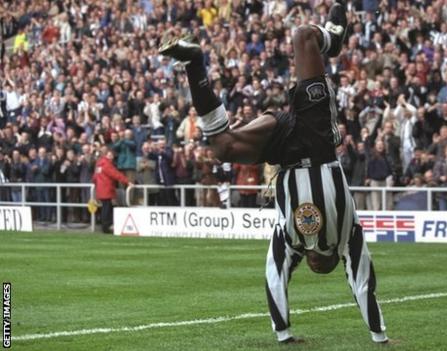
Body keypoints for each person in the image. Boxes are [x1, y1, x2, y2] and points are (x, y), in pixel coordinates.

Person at [159, 1, 388, 344]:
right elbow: (362, 281)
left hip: (283, 150)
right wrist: (379, 337)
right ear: (322, 263)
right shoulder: (346, 238)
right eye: (316, 267)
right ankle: (335, 36)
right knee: (304, 36)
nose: (310, 267)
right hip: (317, 139)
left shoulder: (291, 239)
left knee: (223, 147)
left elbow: (275, 276)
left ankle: (195, 63)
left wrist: (284, 335)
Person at [92, 146, 131, 233]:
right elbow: (115, 174)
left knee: (104, 208)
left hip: (101, 190)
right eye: (110, 155)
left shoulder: (99, 164)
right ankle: (106, 227)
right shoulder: (107, 164)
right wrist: (127, 181)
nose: (111, 157)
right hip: (107, 189)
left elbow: (94, 177)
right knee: (107, 208)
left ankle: (105, 226)